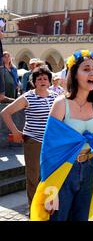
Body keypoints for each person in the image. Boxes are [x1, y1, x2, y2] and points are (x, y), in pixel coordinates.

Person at [43, 50, 93, 221]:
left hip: (88, 168)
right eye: (86, 69)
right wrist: (50, 190)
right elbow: (48, 150)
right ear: (74, 74)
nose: (92, 73)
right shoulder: (61, 104)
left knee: (81, 217)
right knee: (58, 217)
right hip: (63, 169)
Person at [1, 66, 58, 210]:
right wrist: (15, 132)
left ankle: (50, 207)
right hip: (34, 141)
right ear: (33, 82)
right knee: (33, 177)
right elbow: (5, 112)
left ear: (50, 81)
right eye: (39, 79)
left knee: (52, 175)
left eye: (45, 78)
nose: (43, 81)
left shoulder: (55, 96)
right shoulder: (28, 97)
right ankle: (34, 209)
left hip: (52, 143)